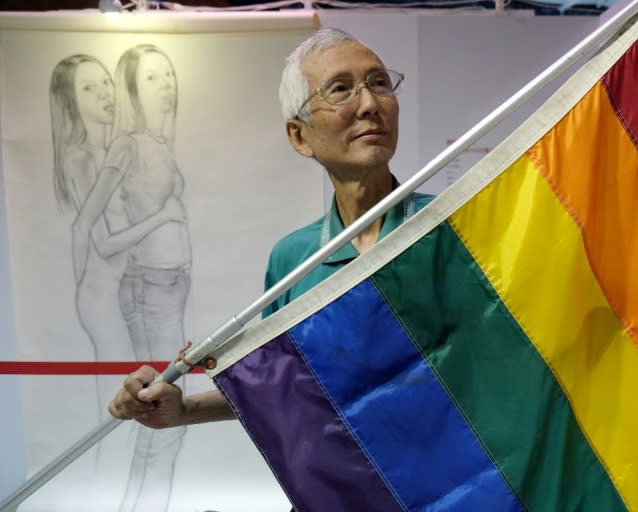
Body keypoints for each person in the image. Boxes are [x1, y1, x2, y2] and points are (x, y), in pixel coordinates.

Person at [108, 28, 432, 509]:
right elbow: (289, 387)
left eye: (379, 82)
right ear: (300, 135)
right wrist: (181, 409)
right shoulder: (294, 259)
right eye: (341, 88)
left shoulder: (449, 231)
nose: (369, 104)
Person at [78, 44, 191, 512]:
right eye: (152, 77)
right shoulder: (127, 145)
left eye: (168, 75)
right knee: (159, 423)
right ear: (131, 88)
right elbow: (93, 232)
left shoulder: (159, 146)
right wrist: (160, 217)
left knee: (166, 423)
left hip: (169, 288)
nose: (166, 84)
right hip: (149, 289)